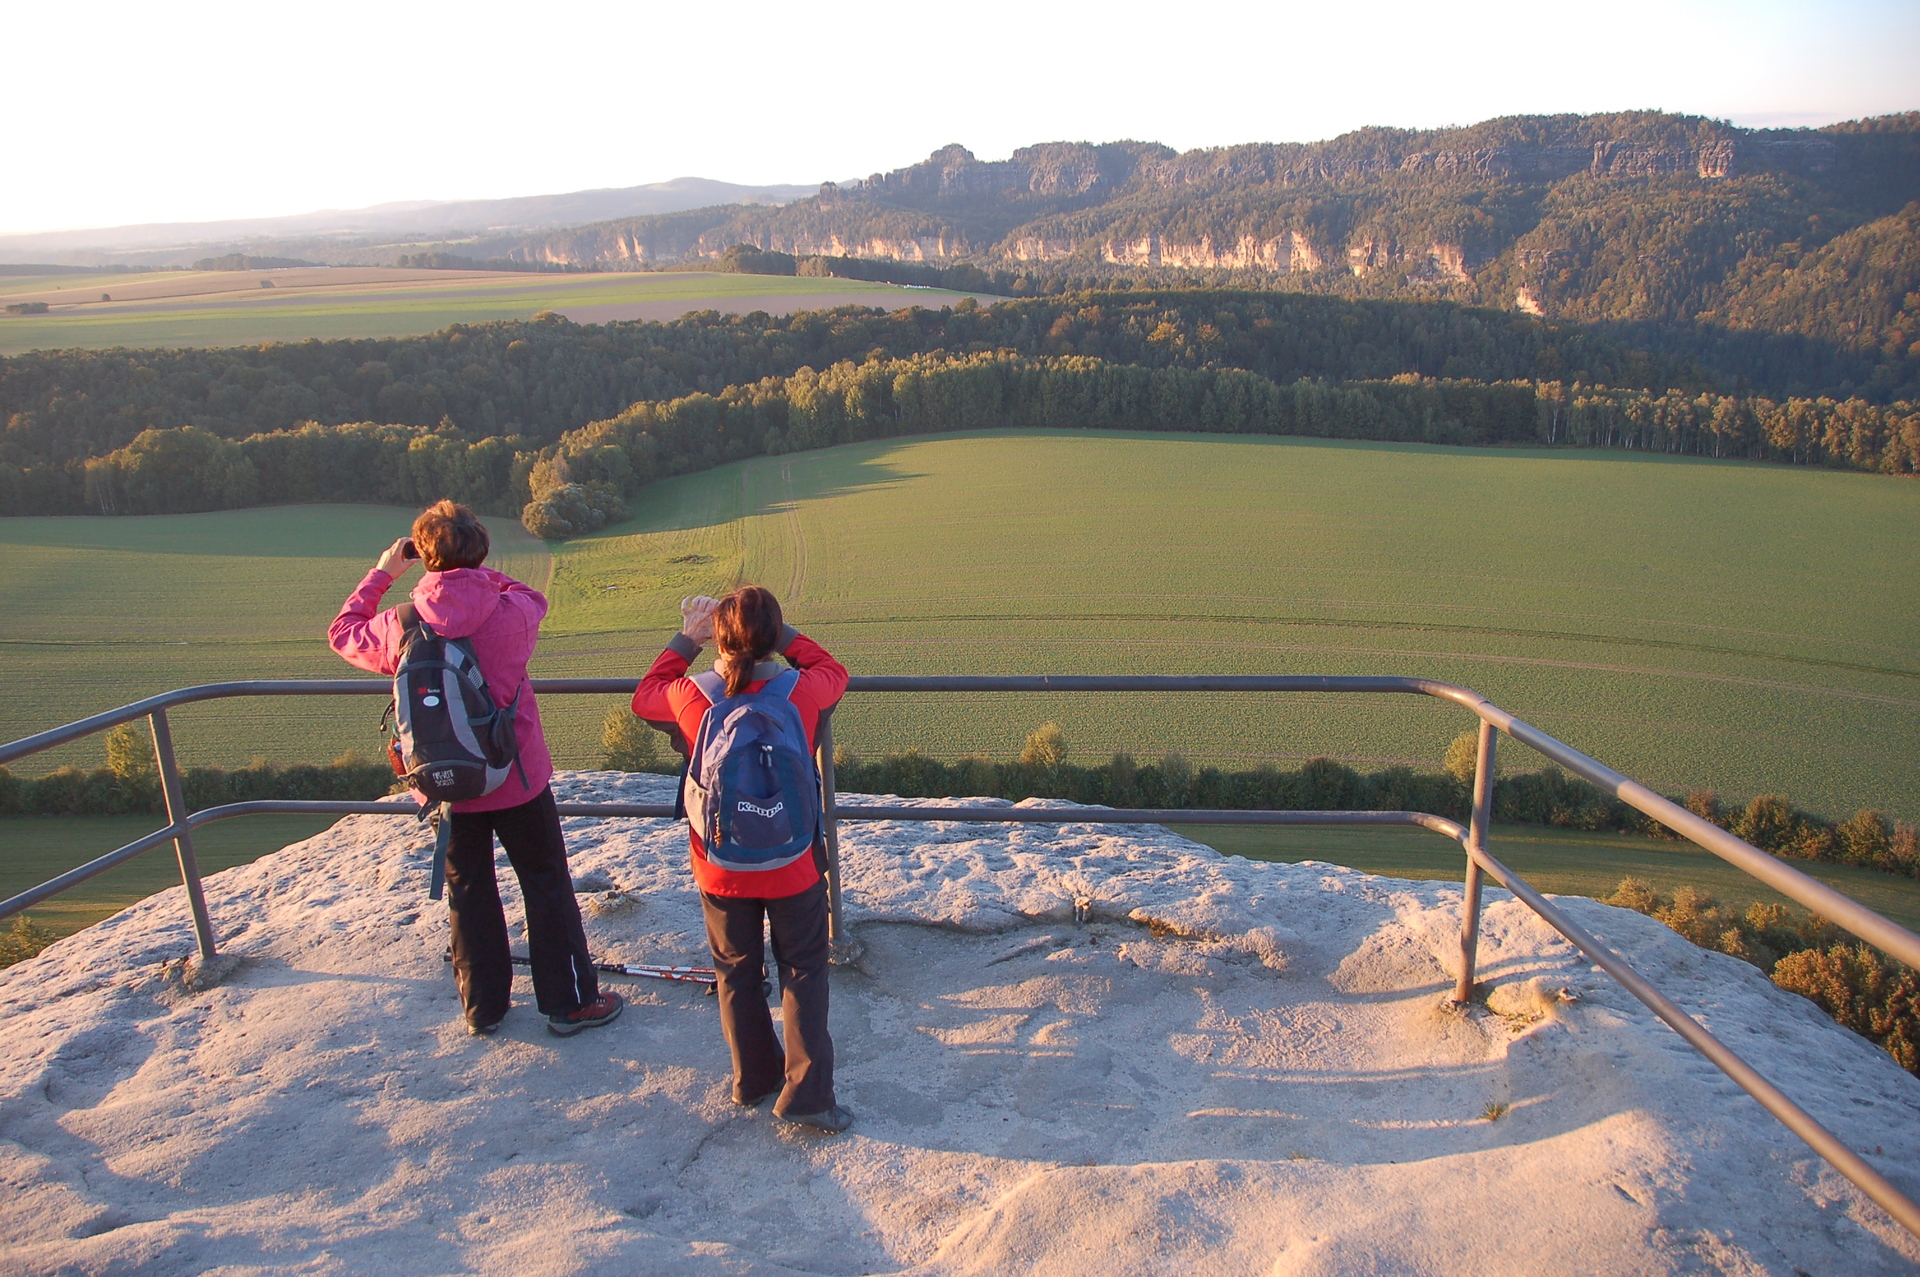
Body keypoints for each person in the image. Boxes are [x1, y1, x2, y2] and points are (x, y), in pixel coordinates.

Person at [329, 499, 622, 1039]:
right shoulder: (511, 613)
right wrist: (474, 570)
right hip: (516, 777)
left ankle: (482, 1009)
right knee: (546, 887)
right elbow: (533, 596)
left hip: (448, 784)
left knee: (469, 894)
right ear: (481, 551)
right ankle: (570, 1004)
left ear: (424, 556)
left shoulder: (400, 625)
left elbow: (343, 631)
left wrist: (385, 572)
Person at [633, 586, 853, 1133]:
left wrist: (690, 635)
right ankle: (809, 1098)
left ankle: (753, 1079)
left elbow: (645, 695)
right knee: (803, 970)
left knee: (736, 971)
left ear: (724, 640)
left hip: (721, 863)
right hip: (794, 860)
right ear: (773, 638)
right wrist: (780, 635)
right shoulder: (801, 691)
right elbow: (835, 669)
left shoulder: (692, 696)